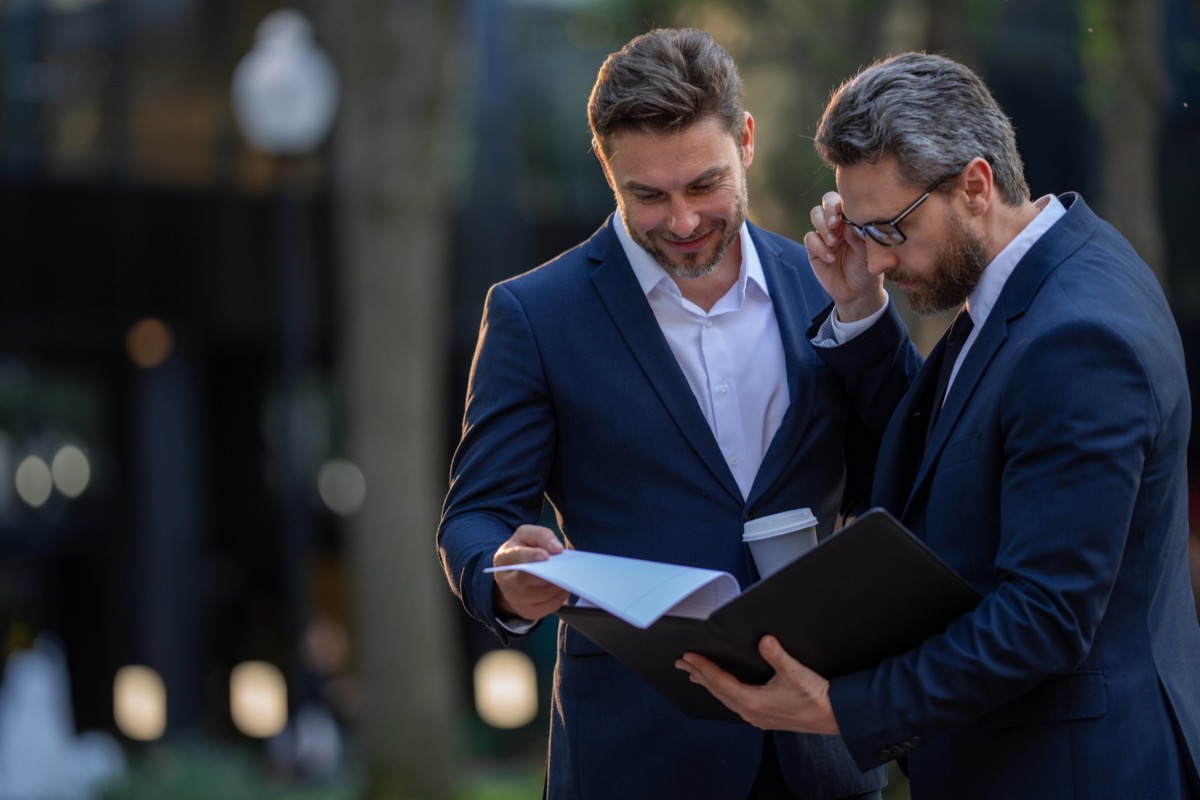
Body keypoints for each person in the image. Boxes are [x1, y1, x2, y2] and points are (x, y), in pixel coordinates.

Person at [677, 52, 1200, 799]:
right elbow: (957, 446)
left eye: (890, 228)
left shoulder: (1078, 339)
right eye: (860, 230)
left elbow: (1044, 616)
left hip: (1076, 771)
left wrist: (842, 709)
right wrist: (857, 307)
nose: (880, 259)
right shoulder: (1045, 272)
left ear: (975, 185)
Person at [437, 28, 914, 800]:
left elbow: (910, 458)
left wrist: (864, 315)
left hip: (820, 745)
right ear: (607, 169)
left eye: (705, 184)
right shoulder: (536, 314)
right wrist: (502, 577)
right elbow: (475, 515)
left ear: (747, 141)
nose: (684, 221)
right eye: (648, 195)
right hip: (637, 753)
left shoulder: (825, 282)